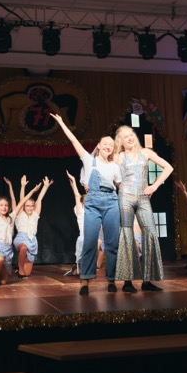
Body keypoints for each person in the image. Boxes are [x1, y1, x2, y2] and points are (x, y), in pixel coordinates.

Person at [51, 113, 121, 295]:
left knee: (112, 244)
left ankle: (111, 280)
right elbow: (73, 140)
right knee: (89, 242)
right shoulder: (89, 160)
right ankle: (85, 281)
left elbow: (119, 187)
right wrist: (62, 123)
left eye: (111, 145)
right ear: (99, 146)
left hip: (111, 202)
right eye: (105, 143)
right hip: (93, 203)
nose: (108, 146)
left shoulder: (115, 167)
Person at [113, 125, 174, 292]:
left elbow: (168, 167)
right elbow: (109, 174)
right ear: (120, 141)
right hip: (125, 197)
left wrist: (154, 186)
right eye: (125, 137)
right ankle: (127, 282)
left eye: (131, 135)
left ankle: (147, 281)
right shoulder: (118, 157)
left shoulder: (146, 153)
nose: (130, 138)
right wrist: (117, 185)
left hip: (143, 198)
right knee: (127, 234)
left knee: (151, 232)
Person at [14, 175, 53, 278]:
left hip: (32, 241)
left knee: (27, 274)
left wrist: (45, 187)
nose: (30, 208)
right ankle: (20, 270)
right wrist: (23, 186)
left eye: (32, 206)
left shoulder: (35, 215)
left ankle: (21, 270)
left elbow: (39, 199)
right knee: (23, 248)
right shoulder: (20, 213)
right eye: (27, 206)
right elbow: (22, 200)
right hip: (21, 238)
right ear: (24, 206)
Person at [64, 170, 85, 277]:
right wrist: (74, 181)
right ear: (82, 203)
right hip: (83, 238)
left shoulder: (93, 212)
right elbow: (77, 196)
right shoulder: (80, 212)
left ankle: (78, 268)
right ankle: (76, 268)